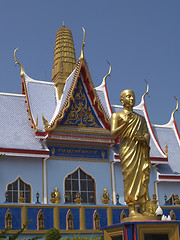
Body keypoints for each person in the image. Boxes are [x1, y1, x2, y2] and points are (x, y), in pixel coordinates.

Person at [111, 89, 151, 217]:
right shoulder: (117, 116)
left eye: (133, 96)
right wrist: (125, 124)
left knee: (142, 177)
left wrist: (143, 138)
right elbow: (113, 133)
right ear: (122, 100)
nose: (132, 99)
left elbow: (146, 133)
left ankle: (144, 207)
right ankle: (132, 208)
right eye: (128, 96)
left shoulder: (141, 119)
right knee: (130, 177)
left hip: (139, 149)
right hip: (127, 150)